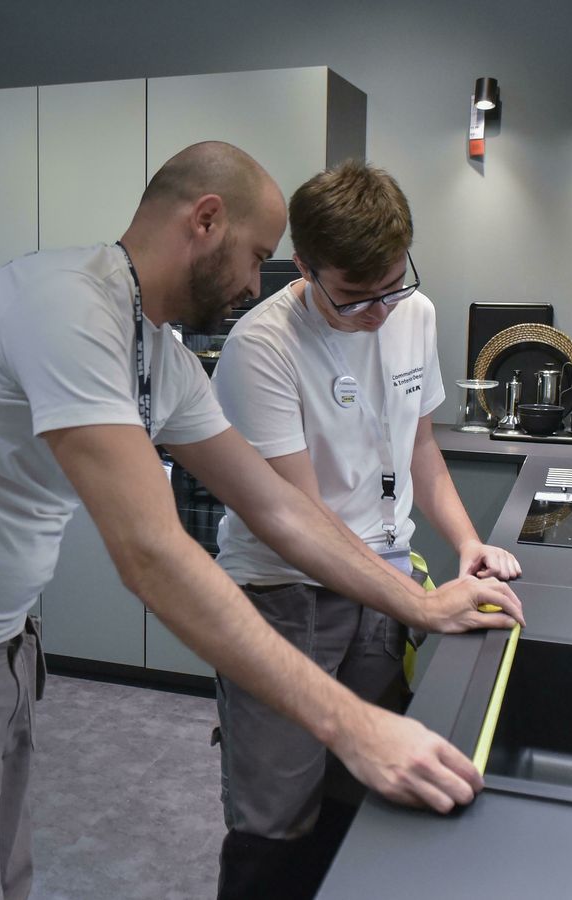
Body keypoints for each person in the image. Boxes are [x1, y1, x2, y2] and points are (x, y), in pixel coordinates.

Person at [0, 142, 523, 899]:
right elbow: (152, 553)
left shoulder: (157, 357)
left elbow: (278, 506)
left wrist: (420, 604)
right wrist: (354, 724)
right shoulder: (66, 306)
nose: (256, 283)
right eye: (257, 256)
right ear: (205, 220)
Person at [208, 159, 524, 898]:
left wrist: (467, 542)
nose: (380, 311)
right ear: (305, 267)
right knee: (277, 814)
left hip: (381, 583)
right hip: (284, 595)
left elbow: (421, 448)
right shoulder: (263, 347)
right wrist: (420, 603)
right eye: (354, 297)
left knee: (367, 795)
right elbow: (299, 518)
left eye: (393, 286)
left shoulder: (416, 313)